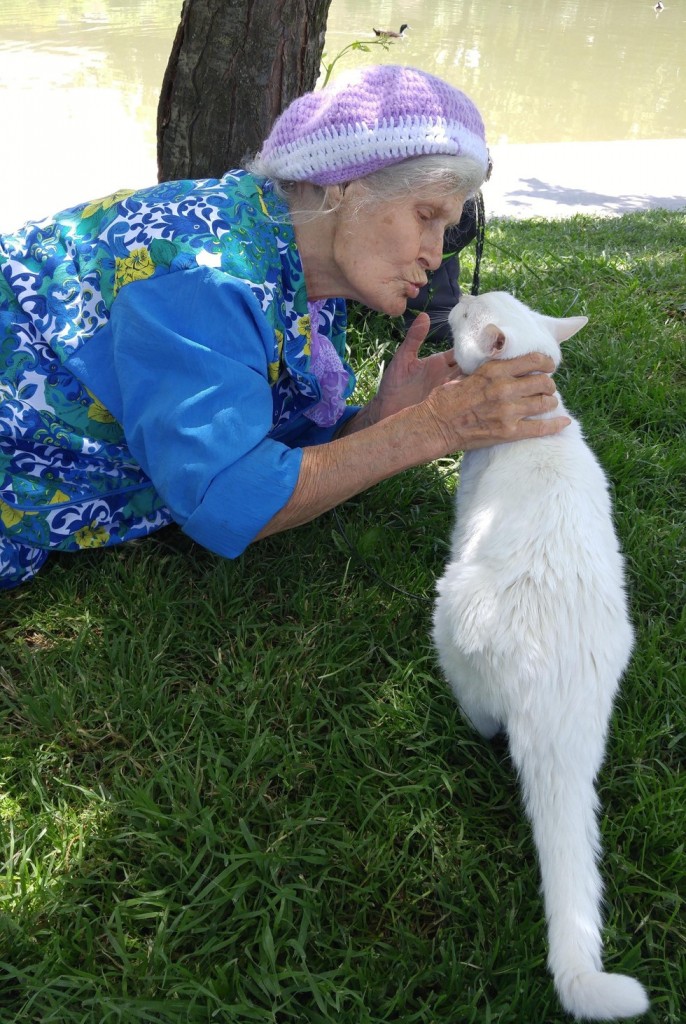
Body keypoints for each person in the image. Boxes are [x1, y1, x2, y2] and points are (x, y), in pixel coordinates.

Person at [0, 65, 568, 590]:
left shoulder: (294, 253)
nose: (435, 254)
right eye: (427, 216)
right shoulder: (206, 274)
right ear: (347, 185)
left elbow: (254, 435)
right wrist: (435, 429)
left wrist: (378, 418)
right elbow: (225, 494)